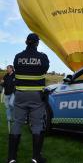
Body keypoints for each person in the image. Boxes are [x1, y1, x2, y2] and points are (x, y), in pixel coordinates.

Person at [7, 33, 49, 163]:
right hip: (36, 96)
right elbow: (45, 69)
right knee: (37, 125)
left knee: (17, 123)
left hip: (20, 95)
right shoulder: (43, 57)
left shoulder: (17, 57)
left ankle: (11, 158)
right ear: (37, 43)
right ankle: (36, 158)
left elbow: (18, 70)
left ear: (26, 42)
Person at [0, 65, 15, 131]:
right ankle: (9, 118)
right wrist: (2, 83)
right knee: (7, 107)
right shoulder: (6, 76)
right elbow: (3, 84)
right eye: (7, 68)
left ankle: (14, 117)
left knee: (11, 104)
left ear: (12, 69)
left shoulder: (15, 75)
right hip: (6, 93)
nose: (7, 69)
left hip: (13, 93)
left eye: (8, 68)